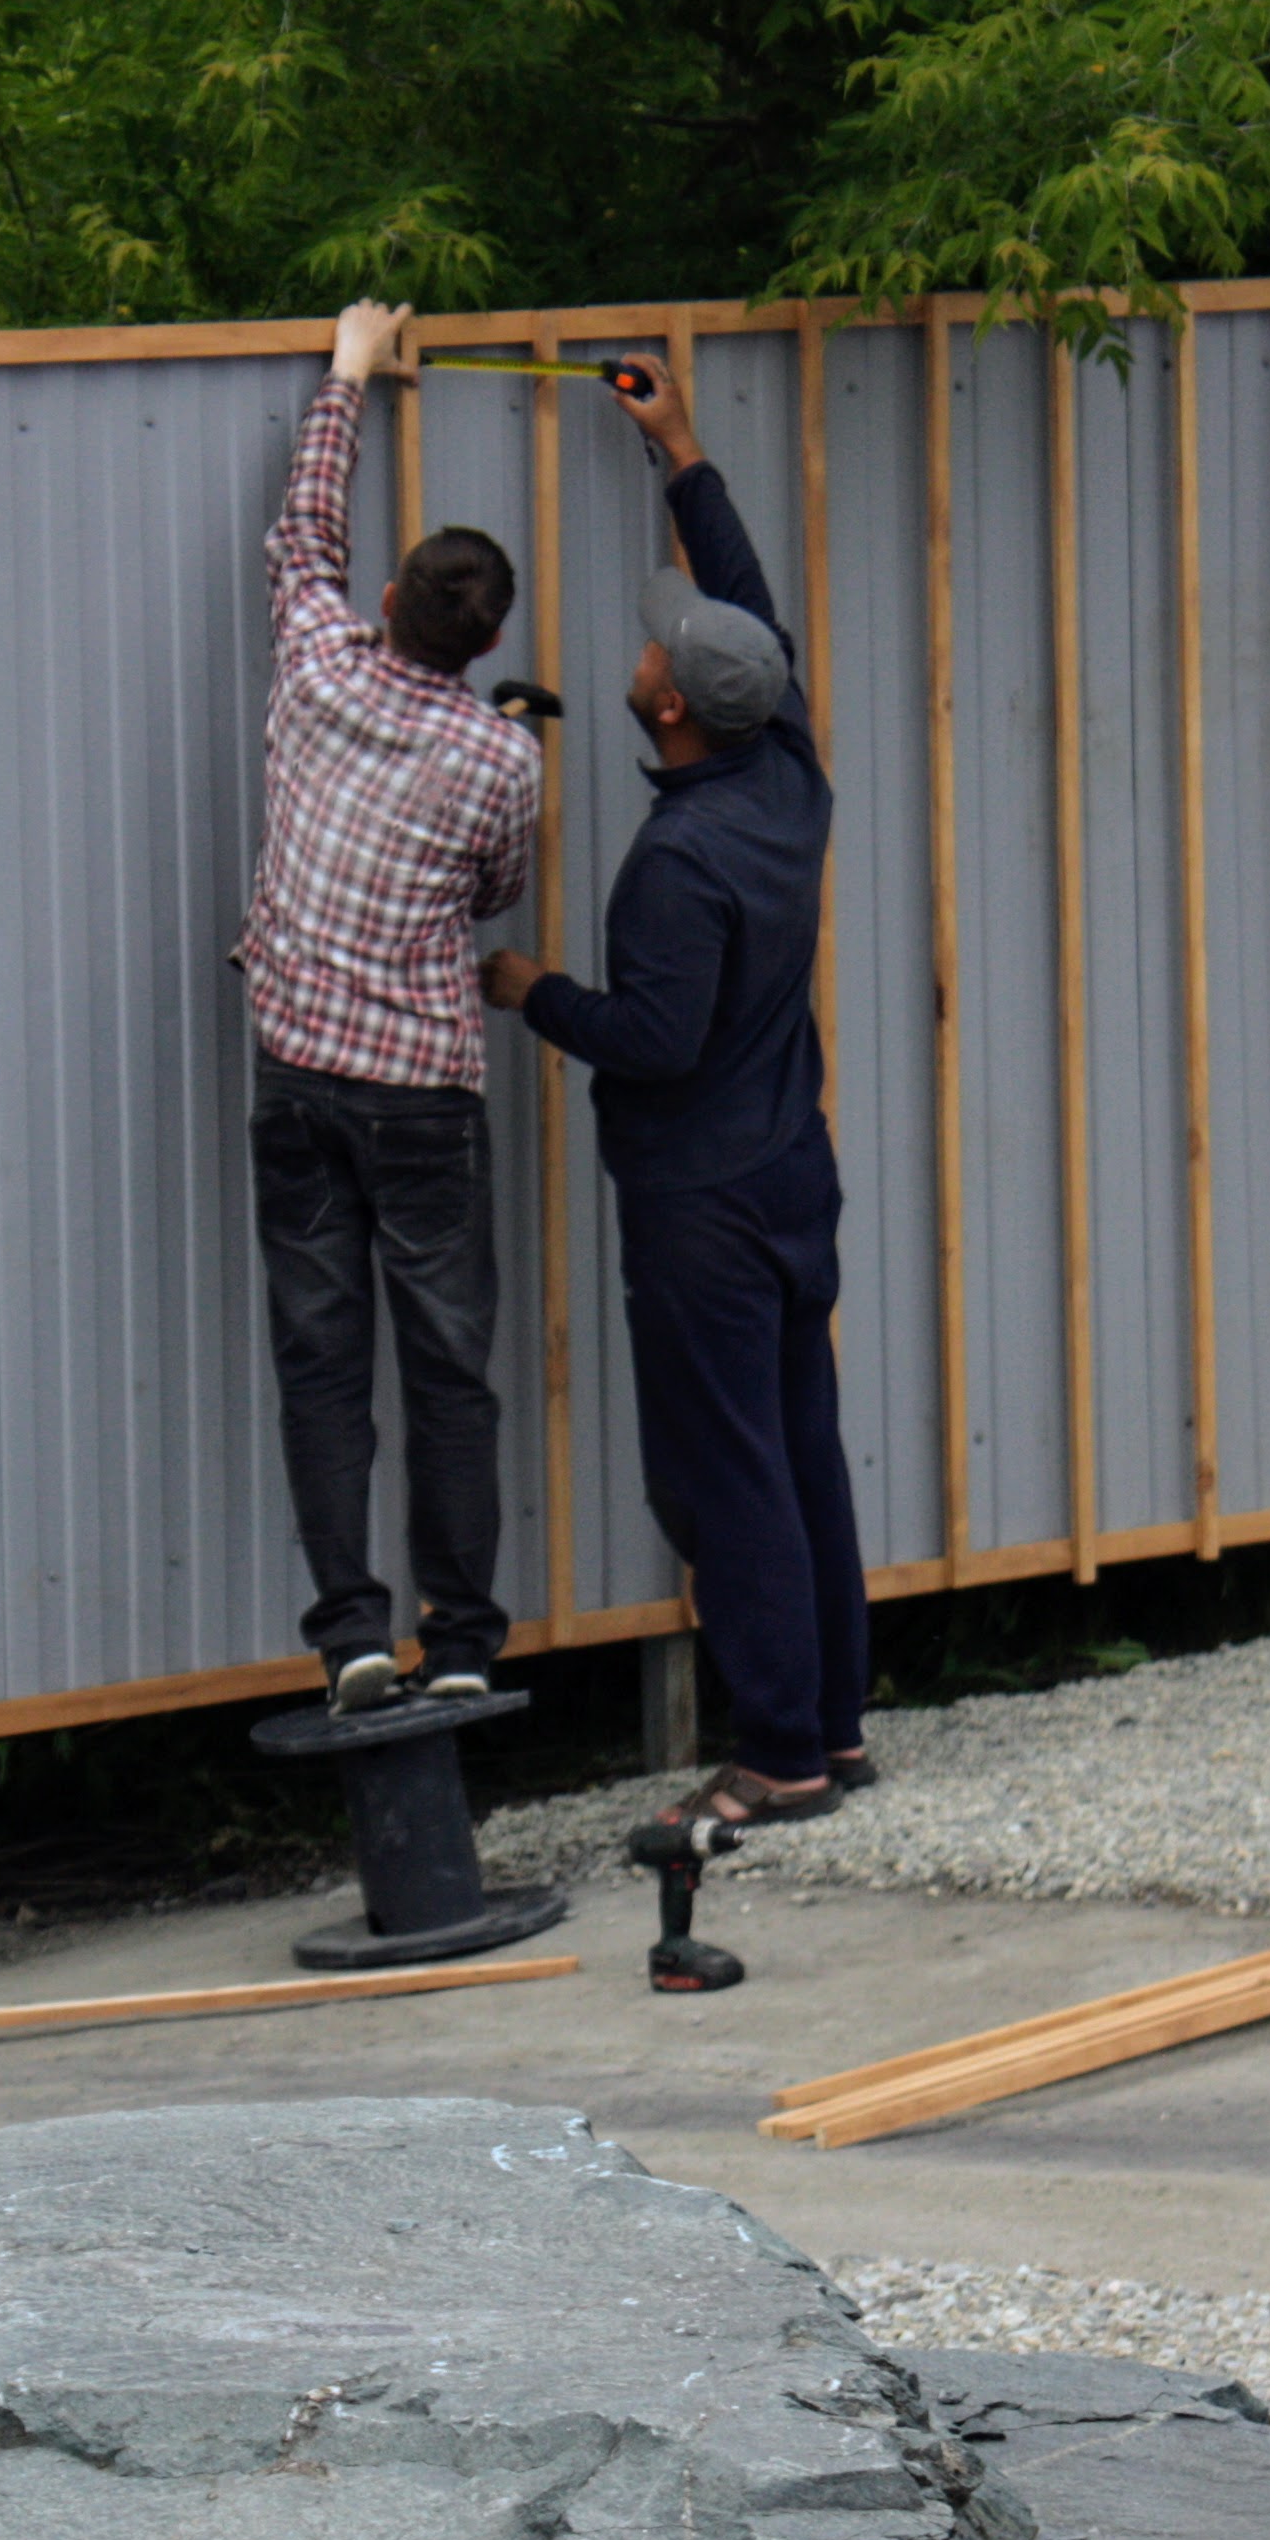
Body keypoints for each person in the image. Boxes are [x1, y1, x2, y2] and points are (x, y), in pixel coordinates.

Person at [481, 361, 870, 1827]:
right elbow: (751, 618)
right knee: (801, 1449)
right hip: (789, 1178)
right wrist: (683, 454)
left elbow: (654, 1039)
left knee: (731, 1475)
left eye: (658, 650)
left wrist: (532, 991)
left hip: (703, 1208)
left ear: (668, 710)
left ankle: (777, 1756)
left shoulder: (676, 865)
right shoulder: (787, 772)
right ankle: (834, 1727)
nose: (648, 647)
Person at [238, 299, 544, 1715]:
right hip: (423, 1090)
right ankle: (463, 1644)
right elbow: (495, 892)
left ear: (387, 599)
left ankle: (353, 1637)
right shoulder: (499, 760)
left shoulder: (315, 659)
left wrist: (350, 371)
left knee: (322, 1360)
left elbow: (302, 531)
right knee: (446, 1369)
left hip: (299, 1073)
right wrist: (497, 744)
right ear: (488, 641)